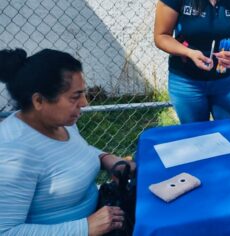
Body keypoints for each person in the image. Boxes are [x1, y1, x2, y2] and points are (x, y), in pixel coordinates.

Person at [0, 48, 136, 236]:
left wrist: (107, 159)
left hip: (103, 213)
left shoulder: (60, 122)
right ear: (39, 100)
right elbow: (6, 231)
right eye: (75, 96)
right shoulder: (13, 153)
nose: (85, 103)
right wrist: (85, 228)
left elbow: (78, 152)